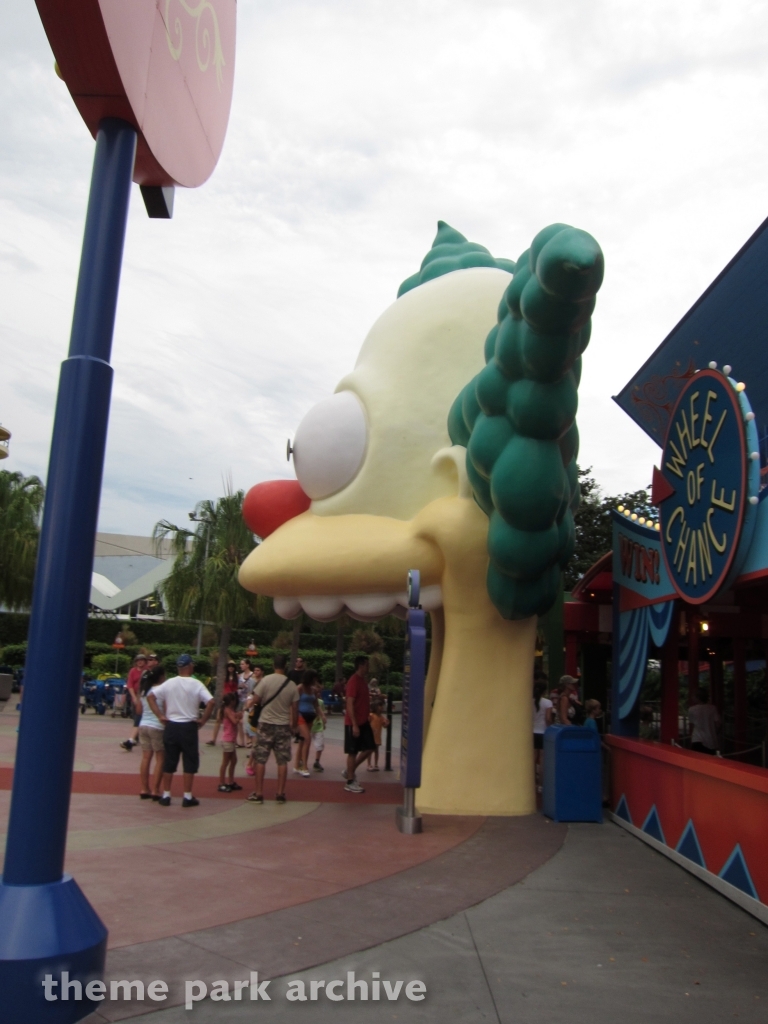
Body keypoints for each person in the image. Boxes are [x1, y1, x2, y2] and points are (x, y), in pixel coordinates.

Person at [147, 654, 215, 807]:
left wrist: (160, 715)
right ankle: (187, 795)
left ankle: (166, 794)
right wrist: (203, 720)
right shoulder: (196, 684)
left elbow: (151, 696)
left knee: (169, 760)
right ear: (189, 666)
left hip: (171, 725)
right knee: (189, 761)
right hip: (188, 726)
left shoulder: (169, 683)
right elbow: (211, 701)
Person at [247, 653, 299, 804]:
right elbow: (295, 708)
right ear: (285, 666)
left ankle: (258, 793)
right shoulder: (292, 685)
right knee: (282, 760)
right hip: (283, 725)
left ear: (273, 665)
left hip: (265, 723)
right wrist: (294, 725)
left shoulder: (266, 680)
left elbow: (256, 699)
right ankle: (280, 793)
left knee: (261, 758)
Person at [342, 655, 375, 793]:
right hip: (353, 722)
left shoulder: (363, 681)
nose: (368, 667)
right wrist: (354, 724)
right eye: (367, 664)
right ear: (361, 665)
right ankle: (350, 781)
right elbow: (349, 703)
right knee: (352, 751)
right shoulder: (354, 681)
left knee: (370, 747)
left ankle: (350, 770)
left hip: (364, 721)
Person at [137, 664, 165, 801]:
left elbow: (138, 710)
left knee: (146, 757)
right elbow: (166, 709)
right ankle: (155, 789)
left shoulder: (144, 691)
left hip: (143, 725)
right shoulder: (161, 691)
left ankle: (144, 788)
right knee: (160, 758)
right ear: (160, 676)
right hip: (157, 726)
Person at [294, 670, 319, 777]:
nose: (315, 680)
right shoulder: (299, 688)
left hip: (311, 715)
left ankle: (296, 765)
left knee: (302, 741)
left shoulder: (313, 690)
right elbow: (294, 704)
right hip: (301, 715)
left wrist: (321, 715)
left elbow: (316, 703)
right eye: (314, 678)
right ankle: (304, 766)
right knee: (307, 739)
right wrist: (293, 719)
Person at [120, 653, 147, 750]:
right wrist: (134, 697)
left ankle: (134, 738)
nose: (140, 662)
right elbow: (130, 685)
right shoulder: (133, 671)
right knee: (135, 717)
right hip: (135, 696)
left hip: (144, 697)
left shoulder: (146, 671)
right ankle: (135, 737)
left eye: (142, 660)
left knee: (139, 718)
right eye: (138, 660)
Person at [218, 692, 243, 792]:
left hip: (232, 739)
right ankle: (222, 783)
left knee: (233, 760)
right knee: (225, 762)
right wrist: (238, 717)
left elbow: (234, 715)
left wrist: (238, 714)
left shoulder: (231, 710)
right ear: (232, 701)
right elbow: (234, 721)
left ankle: (231, 781)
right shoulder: (227, 710)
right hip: (228, 739)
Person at [533, 679, 554, 790]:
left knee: (532, 759)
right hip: (543, 732)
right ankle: (541, 785)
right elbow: (548, 718)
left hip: (532, 731)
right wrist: (551, 726)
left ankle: (532, 784)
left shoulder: (530, 701)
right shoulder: (547, 703)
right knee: (542, 760)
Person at [688, 688, 721, 755]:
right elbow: (718, 724)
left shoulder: (691, 709)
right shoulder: (712, 708)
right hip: (711, 740)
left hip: (697, 739)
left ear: (697, 697)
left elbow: (691, 724)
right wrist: (715, 733)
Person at [366, 698, 390, 771]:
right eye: (379, 706)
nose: (381, 707)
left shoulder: (381, 717)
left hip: (377, 736)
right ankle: (369, 764)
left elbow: (384, 726)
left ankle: (376, 764)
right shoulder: (371, 715)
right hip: (370, 736)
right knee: (369, 750)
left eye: (382, 706)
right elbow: (367, 723)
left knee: (376, 750)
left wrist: (387, 724)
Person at [311, 680, 328, 772]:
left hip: (318, 726)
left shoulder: (320, 702)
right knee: (305, 743)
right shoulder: (308, 701)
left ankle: (317, 761)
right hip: (309, 725)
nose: (317, 694)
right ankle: (301, 760)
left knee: (320, 744)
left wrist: (324, 722)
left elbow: (322, 712)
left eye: (318, 692)